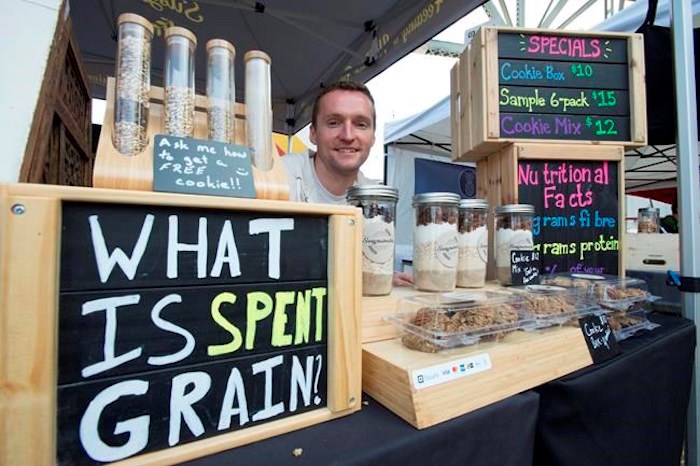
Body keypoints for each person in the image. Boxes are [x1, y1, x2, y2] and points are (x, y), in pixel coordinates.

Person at [281, 81, 413, 286]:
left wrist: (378, 275)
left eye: (361, 124)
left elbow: (370, 264)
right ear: (313, 133)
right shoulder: (279, 177)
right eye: (334, 122)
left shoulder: (376, 199)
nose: (348, 136)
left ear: (372, 137)